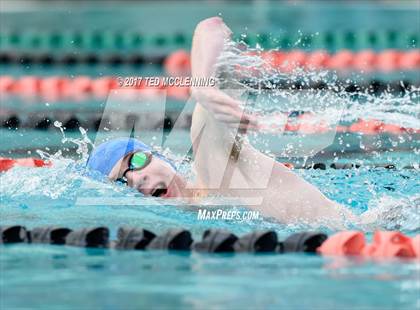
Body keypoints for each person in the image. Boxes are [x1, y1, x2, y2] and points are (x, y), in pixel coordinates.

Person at [87, 17, 356, 227]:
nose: (136, 178)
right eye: (122, 182)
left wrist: (202, 87)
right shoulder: (200, 222)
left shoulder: (212, 162)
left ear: (158, 155)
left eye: (134, 161)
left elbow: (212, 28)